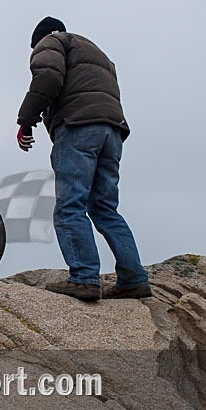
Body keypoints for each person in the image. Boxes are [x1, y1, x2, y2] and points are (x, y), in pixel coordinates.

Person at [16, 17, 151, 301]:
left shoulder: (51, 43)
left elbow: (48, 78)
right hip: (112, 131)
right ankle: (134, 278)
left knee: (69, 206)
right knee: (105, 208)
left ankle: (84, 277)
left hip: (78, 126)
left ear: (38, 39)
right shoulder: (98, 53)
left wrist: (26, 120)